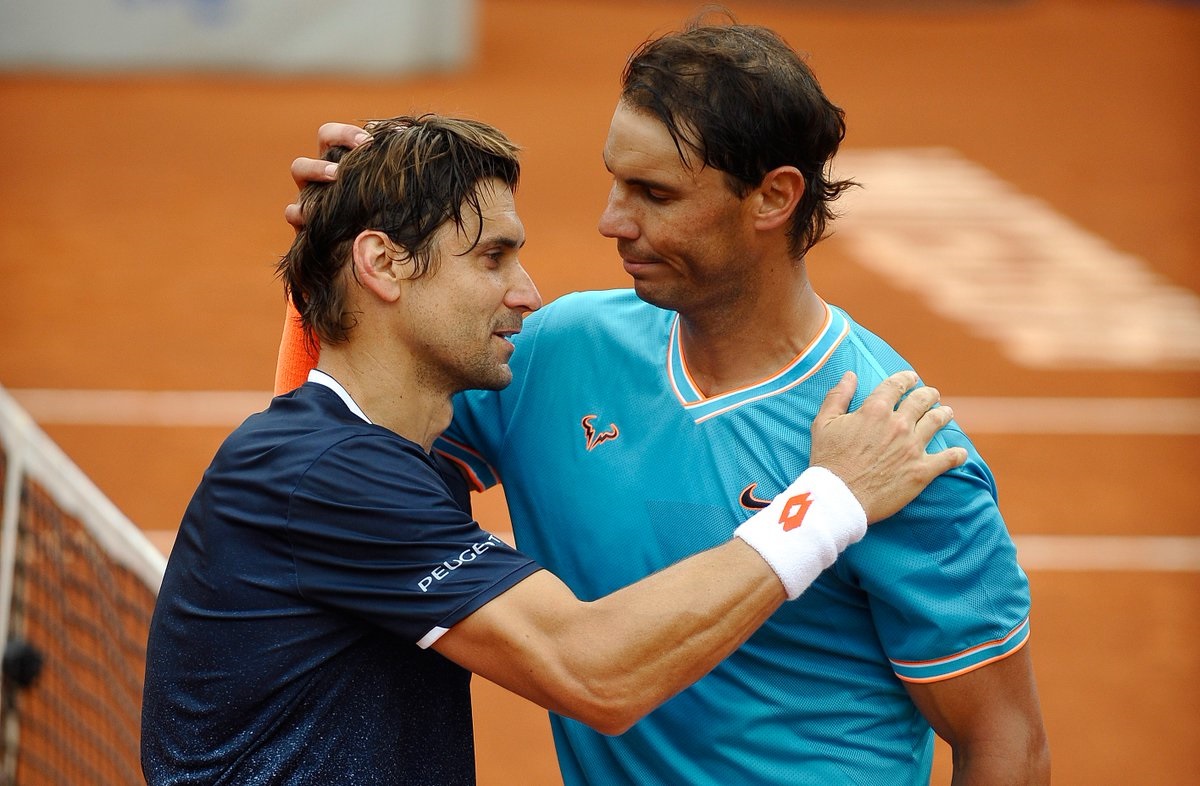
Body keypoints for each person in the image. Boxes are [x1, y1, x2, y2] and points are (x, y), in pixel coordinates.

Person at [276, 21, 1051, 786]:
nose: (613, 220)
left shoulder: (893, 448)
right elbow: (327, 465)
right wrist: (341, 260)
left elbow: (1005, 743)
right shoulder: (555, 353)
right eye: (616, 180)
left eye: (654, 193)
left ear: (773, 198)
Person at [142, 114, 964, 786]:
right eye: (494, 256)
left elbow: (327, 388)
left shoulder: (377, 454)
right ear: (386, 263)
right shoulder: (328, 475)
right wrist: (828, 500)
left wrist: (330, 261)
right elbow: (593, 673)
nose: (529, 293)